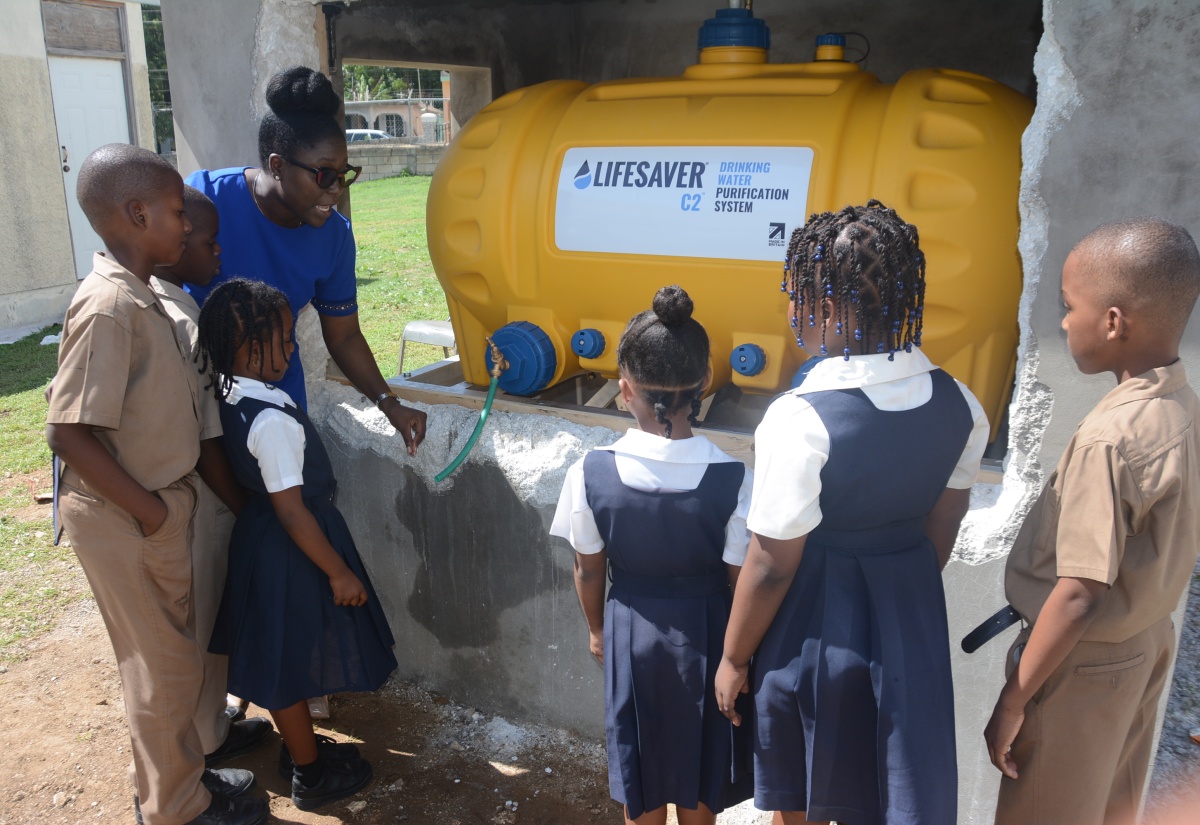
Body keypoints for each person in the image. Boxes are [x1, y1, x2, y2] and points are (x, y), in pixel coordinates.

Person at [715, 201, 990, 825]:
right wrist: (901, 586)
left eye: (797, 296)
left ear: (830, 310)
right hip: (908, 617)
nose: (790, 311)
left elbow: (771, 562)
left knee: (805, 791)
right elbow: (942, 523)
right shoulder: (962, 403)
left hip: (813, 626)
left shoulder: (800, 417)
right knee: (888, 783)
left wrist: (733, 659)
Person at [46, 144, 267, 825]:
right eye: (176, 212)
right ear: (137, 214)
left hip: (155, 505)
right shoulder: (109, 306)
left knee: (172, 665)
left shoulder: (146, 297)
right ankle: (174, 808)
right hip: (128, 514)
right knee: (160, 670)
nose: (186, 223)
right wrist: (152, 514)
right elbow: (68, 430)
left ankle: (183, 783)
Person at [984, 218, 1200, 825]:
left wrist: (1013, 699)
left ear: (1112, 321)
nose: (1061, 322)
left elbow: (1079, 593)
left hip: (1082, 667)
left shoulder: (1110, 437)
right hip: (1144, 645)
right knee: (1109, 806)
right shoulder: (1180, 403)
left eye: (1066, 306)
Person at [550, 285, 755, 825]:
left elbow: (588, 566)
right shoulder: (735, 479)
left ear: (624, 390)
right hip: (710, 635)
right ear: (705, 384)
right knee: (699, 771)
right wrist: (742, 653)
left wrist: (597, 629)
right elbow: (740, 581)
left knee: (638, 770)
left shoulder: (589, 470)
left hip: (630, 631)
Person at [196, 278, 397, 812]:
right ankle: (309, 774)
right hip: (294, 545)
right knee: (289, 659)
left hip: (265, 539)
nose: (290, 350)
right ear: (244, 348)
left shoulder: (232, 393)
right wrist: (339, 572)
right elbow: (291, 508)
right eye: (282, 341)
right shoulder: (270, 421)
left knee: (281, 650)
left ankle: (301, 750)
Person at [184, 65, 425, 458]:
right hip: (198, 410)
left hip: (277, 412)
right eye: (324, 175)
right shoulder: (205, 200)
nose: (336, 190)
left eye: (344, 174)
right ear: (277, 166)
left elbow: (344, 335)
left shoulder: (334, 236)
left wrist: (389, 403)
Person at [150, 185, 274, 765]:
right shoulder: (179, 318)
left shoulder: (170, 300)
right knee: (201, 618)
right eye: (208, 240)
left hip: (192, 494)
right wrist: (244, 507)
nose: (218, 251)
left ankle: (213, 726)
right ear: (175, 248)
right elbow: (205, 437)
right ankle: (204, 741)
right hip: (198, 499)